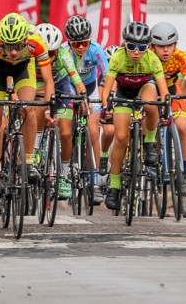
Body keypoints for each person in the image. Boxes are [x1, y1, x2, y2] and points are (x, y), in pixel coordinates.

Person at [0, 13, 56, 203]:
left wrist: (48, 110)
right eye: (9, 46)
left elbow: (47, 80)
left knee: (29, 109)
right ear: (1, 40)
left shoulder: (36, 41)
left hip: (23, 69)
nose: (13, 52)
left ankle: (28, 162)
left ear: (25, 39)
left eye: (18, 46)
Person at [101, 21, 166, 211]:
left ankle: (150, 142)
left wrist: (166, 105)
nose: (136, 52)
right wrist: (107, 106)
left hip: (144, 88)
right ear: (125, 45)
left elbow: (162, 89)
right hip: (124, 93)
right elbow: (107, 89)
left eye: (141, 47)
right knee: (121, 137)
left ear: (147, 47)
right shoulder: (118, 58)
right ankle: (114, 185)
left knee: (151, 103)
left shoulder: (152, 59)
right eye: (131, 47)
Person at [34, 23, 86, 201]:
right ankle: (35, 151)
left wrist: (84, 99)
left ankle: (63, 175)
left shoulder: (63, 55)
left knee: (65, 132)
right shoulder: (30, 54)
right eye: (44, 53)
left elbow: (77, 82)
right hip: (39, 83)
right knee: (39, 107)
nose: (48, 58)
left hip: (61, 84)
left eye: (52, 53)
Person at [64, 14, 109, 203]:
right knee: (66, 131)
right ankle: (68, 165)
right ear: (69, 43)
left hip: (91, 91)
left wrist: (105, 100)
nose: (81, 47)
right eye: (76, 44)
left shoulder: (96, 50)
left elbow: (107, 75)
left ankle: (96, 180)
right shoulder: (64, 53)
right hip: (70, 88)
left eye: (84, 43)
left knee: (93, 130)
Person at [150, 22, 186, 197]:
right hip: (152, 88)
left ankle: (183, 169)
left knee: (183, 127)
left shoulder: (180, 56)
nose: (165, 50)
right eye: (161, 46)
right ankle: (153, 152)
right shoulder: (148, 56)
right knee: (151, 115)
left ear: (175, 45)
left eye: (169, 45)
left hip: (172, 90)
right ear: (153, 46)